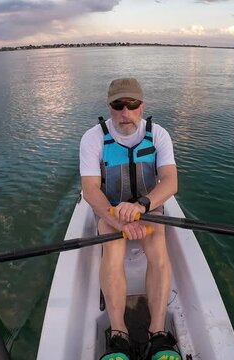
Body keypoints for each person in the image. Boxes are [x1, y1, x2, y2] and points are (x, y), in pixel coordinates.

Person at [80, 78, 181, 360]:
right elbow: (90, 189)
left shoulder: (158, 134)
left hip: (148, 210)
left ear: (142, 106)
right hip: (111, 212)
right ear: (110, 107)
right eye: (118, 105)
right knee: (112, 247)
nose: (125, 112)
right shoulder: (92, 138)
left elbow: (171, 182)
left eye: (132, 105)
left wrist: (142, 207)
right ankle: (118, 334)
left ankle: (157, 333)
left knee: (158, 243)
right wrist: (120, 220)